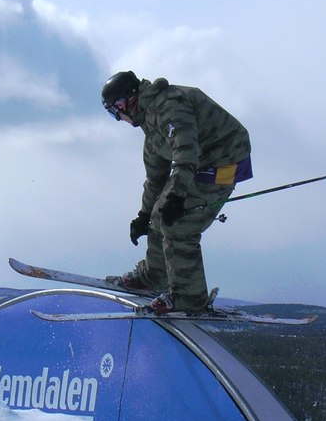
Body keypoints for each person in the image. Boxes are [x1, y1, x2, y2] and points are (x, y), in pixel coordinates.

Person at [101, 70, 252, 316]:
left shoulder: (169, 106)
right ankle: (154, 277)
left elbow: (186, 150)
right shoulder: (151, 130)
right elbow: (155, 179)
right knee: (159, 213)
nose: (118, 119)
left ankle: (189, 298)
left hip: (225, 161)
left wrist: (177, 196)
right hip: (197, 165)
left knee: (178, 223)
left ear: (126, 101)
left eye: (114, 112)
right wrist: (144, 215)